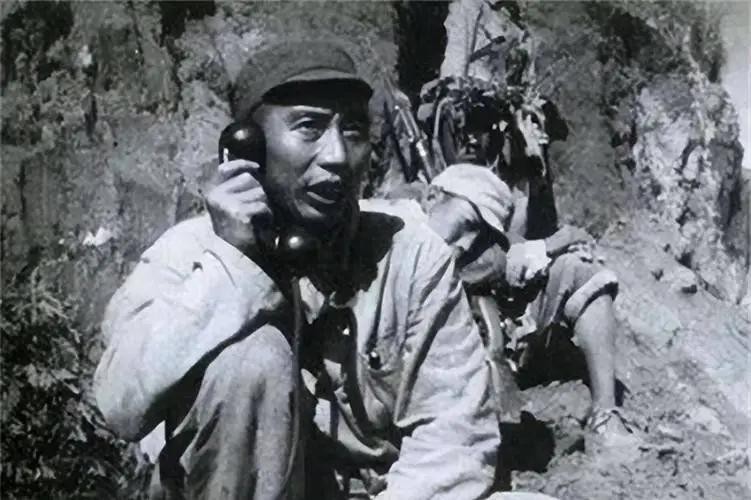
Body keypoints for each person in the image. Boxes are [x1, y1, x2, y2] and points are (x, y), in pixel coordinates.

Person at [93, 41, 500, 499]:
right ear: (248, 147)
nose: (338, 155)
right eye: (309, 127)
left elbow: (455, 436)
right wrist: (234, 264)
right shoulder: (190, 252)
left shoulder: (410, 254)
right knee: (254, 360)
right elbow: (119, 405)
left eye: (353, 130)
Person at [413, 163, 638, 452]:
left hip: (490, 351)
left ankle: (605, 416)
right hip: (426, 377)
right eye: (468, 223)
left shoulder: (468, 242)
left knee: (578, 270)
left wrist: (539, 249)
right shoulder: (397, 223)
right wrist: (538, 248)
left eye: (481, 233)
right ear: (432, 196)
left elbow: (502, 254)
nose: (469, 243)